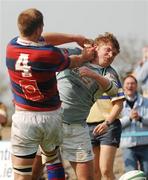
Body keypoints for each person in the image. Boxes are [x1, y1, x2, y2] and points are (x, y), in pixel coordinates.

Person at [5, 8, 95, 180]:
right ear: (39, 29)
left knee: (21, 173)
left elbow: (44, 39)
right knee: (52, 159)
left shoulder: (11, 47)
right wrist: (85, 55)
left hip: (24, 117)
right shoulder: (49, 54)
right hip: (51, 117)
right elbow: (74, 61)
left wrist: (73, 38)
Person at [56, 32, 123, 180]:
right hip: (51, 119)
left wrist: (94, 75)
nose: (111, 55)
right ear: (96, 47)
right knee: (35, 170)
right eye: (108, 49)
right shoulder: (77, 53)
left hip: (76, 128)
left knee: (90, 176)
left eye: (114, 53)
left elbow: (112, 90)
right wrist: (73, 38)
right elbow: (45, 46)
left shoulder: (109, 72)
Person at [86, 83, 124, 179]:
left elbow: (119, 104)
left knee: (106, 170)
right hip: (87, 126)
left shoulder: (111, 75)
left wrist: (107, 123)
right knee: (94, 171)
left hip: (108, 126)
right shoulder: (83, 74)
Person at [120, 75, 148, 178]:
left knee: (147, 173)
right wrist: (129, 118)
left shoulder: (146, 102)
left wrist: (140, 118)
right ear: (123, 86)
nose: (130, 86)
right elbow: (115, 124)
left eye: (132, 83)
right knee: (131, 175)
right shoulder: (118, 104)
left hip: (145, 144)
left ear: (136, 86)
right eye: (127, 83)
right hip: (127, 145)